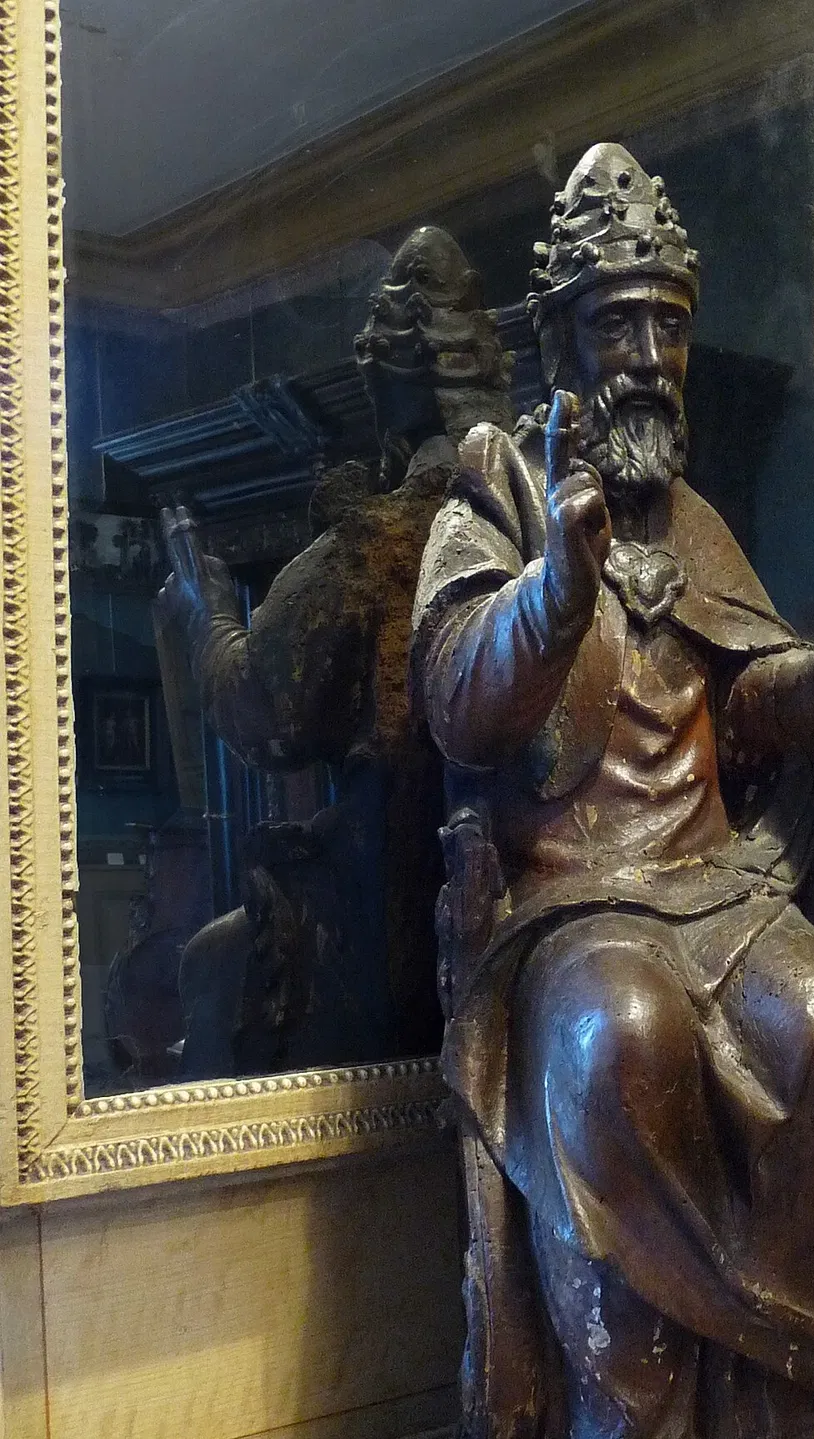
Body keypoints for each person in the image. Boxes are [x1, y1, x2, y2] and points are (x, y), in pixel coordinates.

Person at [413, 144, 814, 1439]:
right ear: (560, 341)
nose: (647, 357)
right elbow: (458, 702)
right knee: (619, 1037)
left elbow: (739, 704)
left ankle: (777, 1411)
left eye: (668, 325)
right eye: (616, 324)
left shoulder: (694, 522)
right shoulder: (495, 500)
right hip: (569, 902)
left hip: (718, 888)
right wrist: (554, 589)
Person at [158, 227, 512, 1075]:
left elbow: (262, 714)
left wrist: (206, 613)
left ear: (394, 384)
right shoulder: (546, 516)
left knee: (209, 964)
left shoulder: (375, 545)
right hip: (516, 888)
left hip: (396, 911)